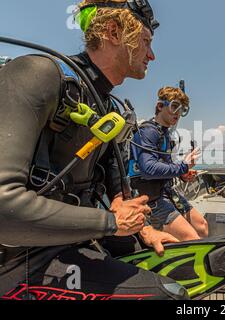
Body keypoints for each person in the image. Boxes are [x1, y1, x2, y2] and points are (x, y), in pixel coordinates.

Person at [0, 0, 188, 300]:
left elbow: (114, 191)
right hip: (19, 259)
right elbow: (3, 212)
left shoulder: (108, 107)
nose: (151, 54)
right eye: (145, 42)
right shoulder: (36, 74)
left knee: (176, 267)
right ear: (114, 32)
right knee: (169, 295)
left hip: (74, 239)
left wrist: (144, 231)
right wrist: (111, 223)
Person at [130, 86, 208, 241]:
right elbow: (148, 168)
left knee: (202, 227)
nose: (178, 113)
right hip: (150, 198)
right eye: (174, 106)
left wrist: (183, 174)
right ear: (160, 106)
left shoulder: (164, 134)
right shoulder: (148, 132)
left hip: (165, 192)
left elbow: (164, 166)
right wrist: (183, 166)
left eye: (183, 109)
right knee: (191, 238)